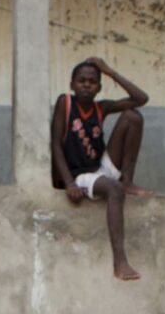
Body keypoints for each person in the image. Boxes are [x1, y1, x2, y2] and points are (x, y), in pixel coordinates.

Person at [51, 57, 148, 283]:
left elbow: (141, 99)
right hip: (79, 175)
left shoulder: (101, 107)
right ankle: (120, 262)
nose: (86, 85)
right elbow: (55, 143)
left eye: (93, 81)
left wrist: (110, 71)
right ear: (72, 84)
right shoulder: (64, 103)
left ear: (99, 87)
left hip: (100, 167)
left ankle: (128, 181)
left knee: (133, 116)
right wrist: (69, 183)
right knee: (113, 189)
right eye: (81, 80)